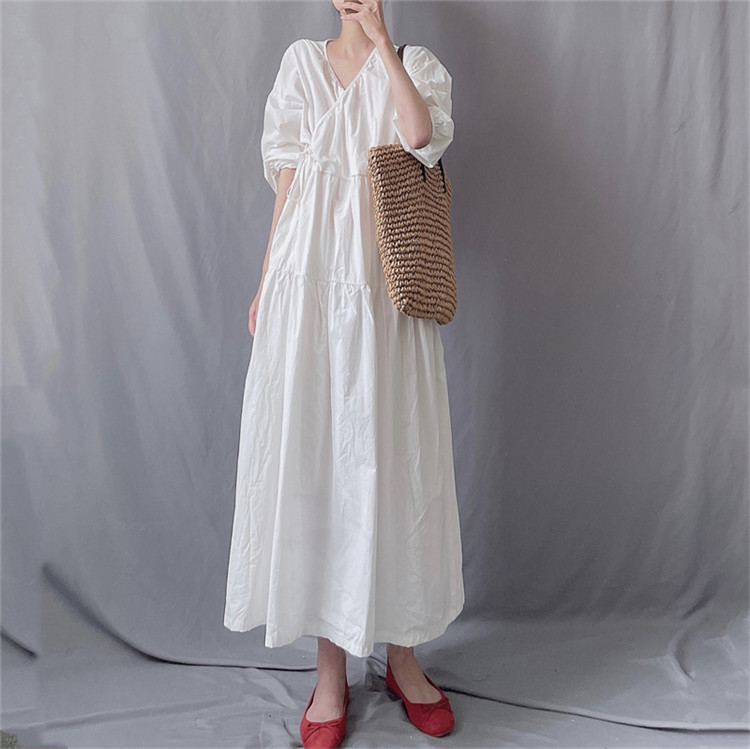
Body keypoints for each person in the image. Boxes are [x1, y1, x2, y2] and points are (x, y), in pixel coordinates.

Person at [223, 1, 464, 745]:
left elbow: (419, 138)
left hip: (386, 293)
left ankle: (403, 657)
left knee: (395, 460)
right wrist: (266, 279)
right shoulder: (300, 64)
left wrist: (384, 45)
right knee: (321, 464)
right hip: (310, 289)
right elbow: (289, 185)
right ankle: (329, 673)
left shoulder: (417, 67)